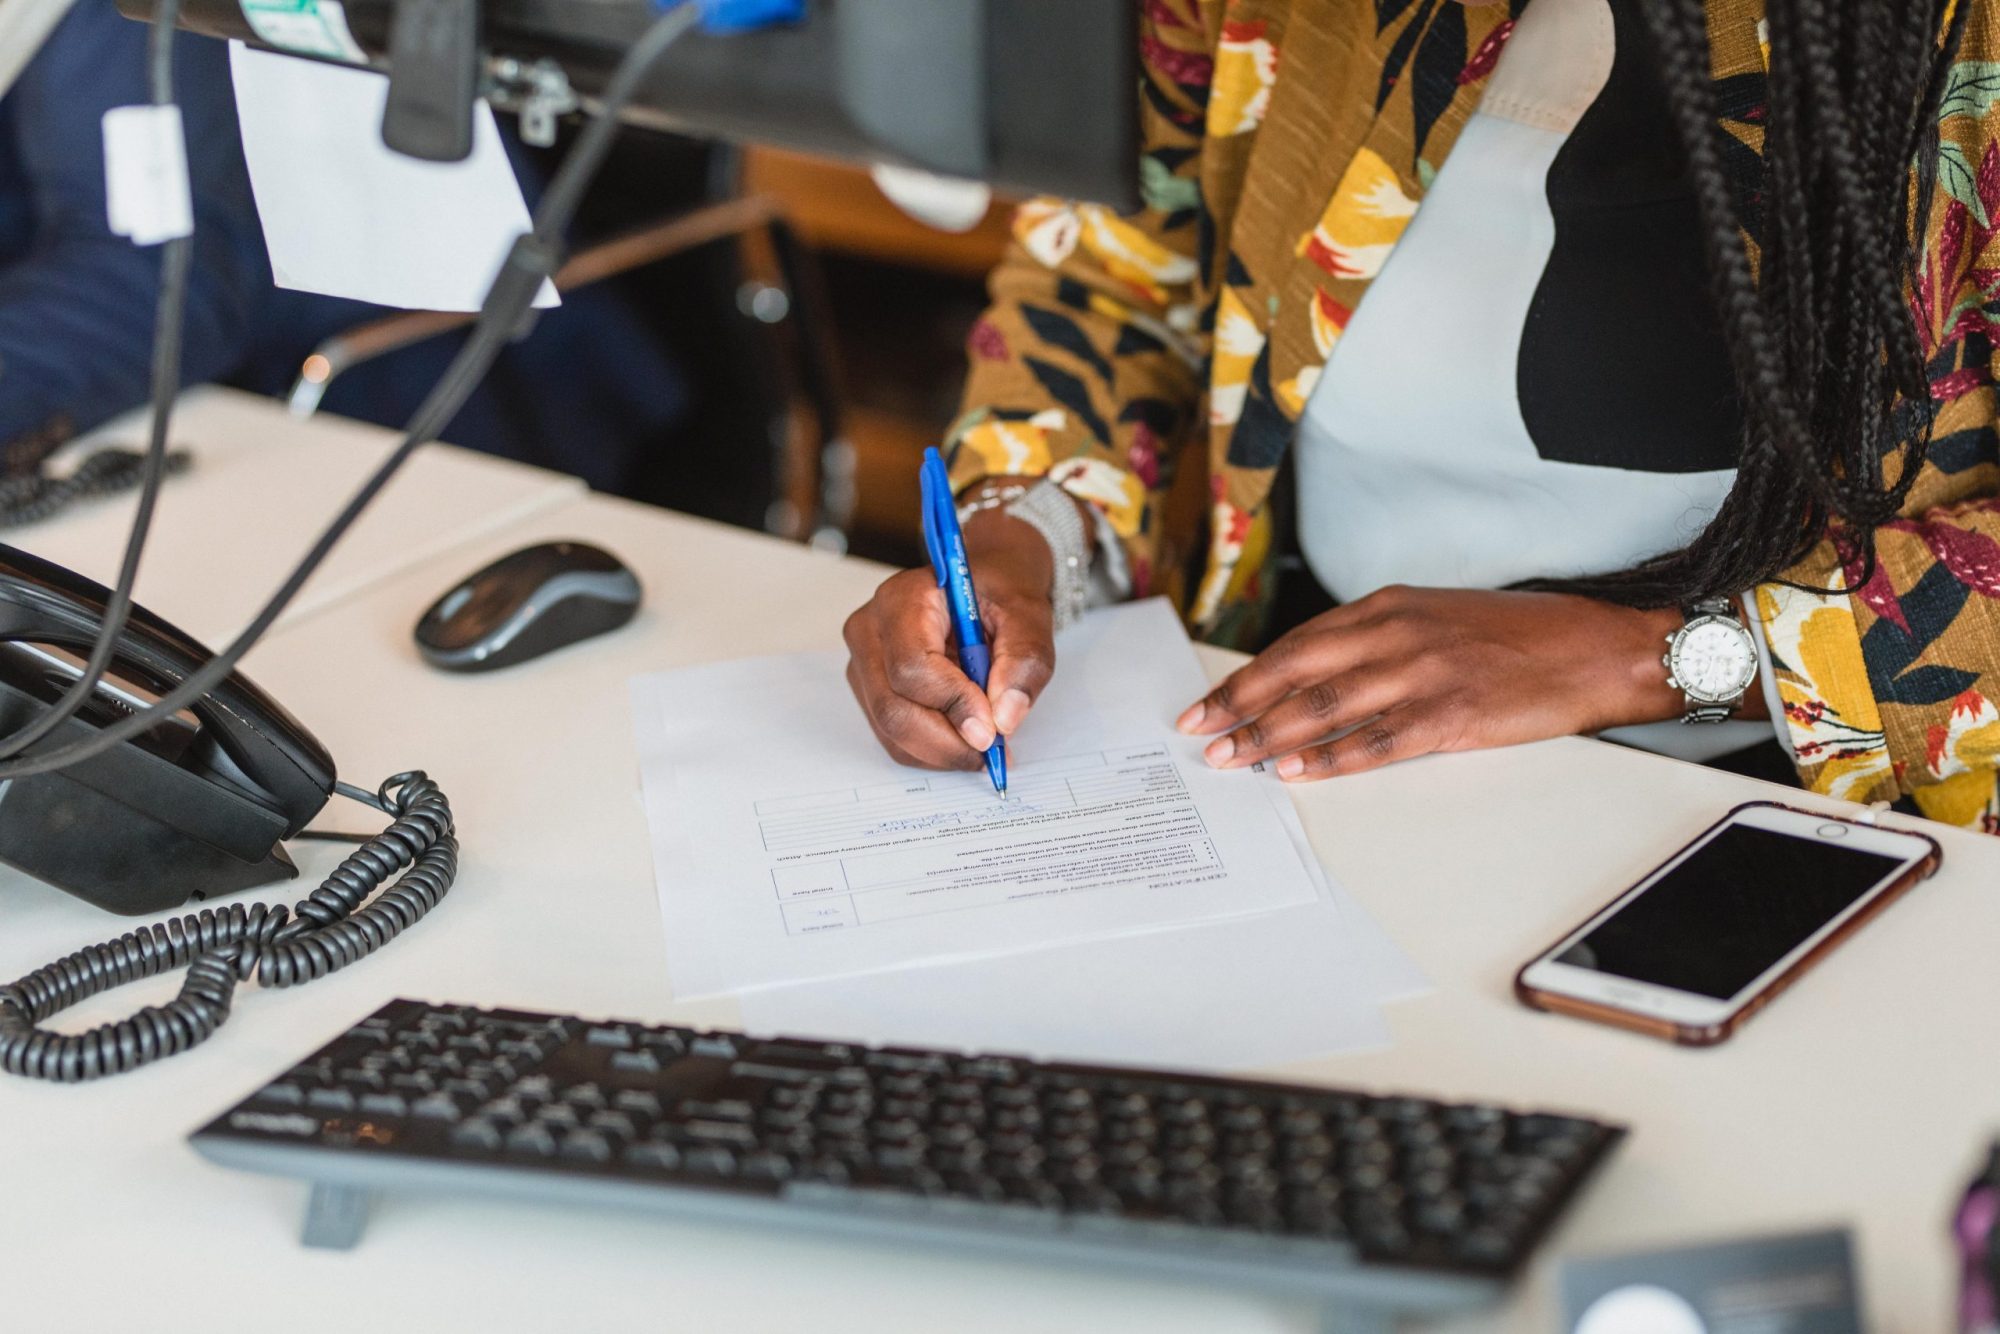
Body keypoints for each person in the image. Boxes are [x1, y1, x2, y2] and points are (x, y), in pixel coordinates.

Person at [842, 0, 2000, 836]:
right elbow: (1116, 276)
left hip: (1815, 807)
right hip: (1301, 736)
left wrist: (1655, 658)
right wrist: (1014, 541)